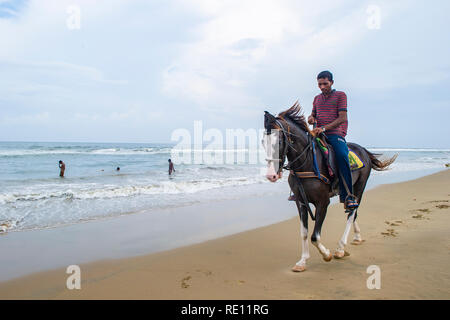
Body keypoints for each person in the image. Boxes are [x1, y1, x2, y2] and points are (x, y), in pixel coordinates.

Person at [307, 70, 358, 209]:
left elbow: (343, 118)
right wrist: (310, 118)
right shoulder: (317, 98)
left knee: (342, 156)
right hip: (318, 134)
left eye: (325, 83)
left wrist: (324, 128)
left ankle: (348, 196)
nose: (322, 87)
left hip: (335, 134)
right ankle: (299, 190)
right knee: (301, 151)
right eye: (319, 84)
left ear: (332, 82)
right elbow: (312, 116)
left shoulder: (341, 95)